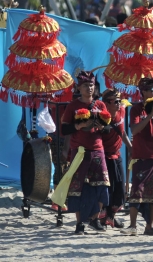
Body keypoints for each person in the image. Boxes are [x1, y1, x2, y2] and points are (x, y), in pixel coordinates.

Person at [57, 71, 110, 234]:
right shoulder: (73, 106)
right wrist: (78, 126)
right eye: (86, 85)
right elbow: (64, 129)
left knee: (102, 186)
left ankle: (94, 218)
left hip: (97, 150)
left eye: (91, 85)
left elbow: (108, 129)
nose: (89, 88)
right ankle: (80, 223)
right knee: (78, 187)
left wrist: (103, 127)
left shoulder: (100, 105)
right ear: (79, 87)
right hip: (79, 151)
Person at [121, 78, 153, 236]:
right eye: (151, 89)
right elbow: (134, 130)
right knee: (137, 192)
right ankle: (133, 226)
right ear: (143, 92)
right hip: (141, 155)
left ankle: (149, 226)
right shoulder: (136, 109)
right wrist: (150, 115)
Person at [100, 88, 132, 229]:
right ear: (106, 103)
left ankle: (111, 216)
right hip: (104, 156)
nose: (119, 103)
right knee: (108, 188)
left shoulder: (121, 111)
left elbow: (122, 132)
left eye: (119, 101)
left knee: (120, 186)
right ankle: (106, 217)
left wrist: (130, 147)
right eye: (115, 101)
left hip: (117, 154)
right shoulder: (101, 117)